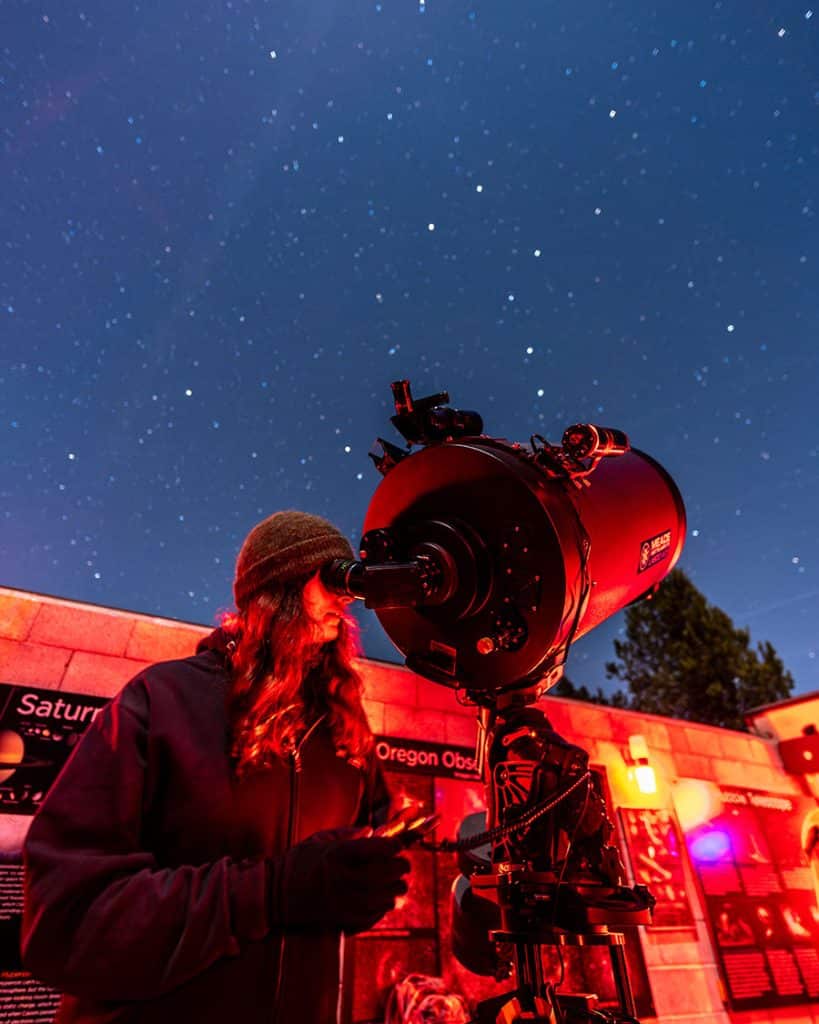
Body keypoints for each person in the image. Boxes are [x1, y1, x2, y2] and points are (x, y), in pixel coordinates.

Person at [21, 511, 411, 1024]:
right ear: (279, 589)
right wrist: (268, 892)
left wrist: (361, 887)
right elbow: (66, 918)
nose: (347, 595)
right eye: (332, 576)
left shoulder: (343, 726)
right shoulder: (161, 700)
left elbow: (343, 869)